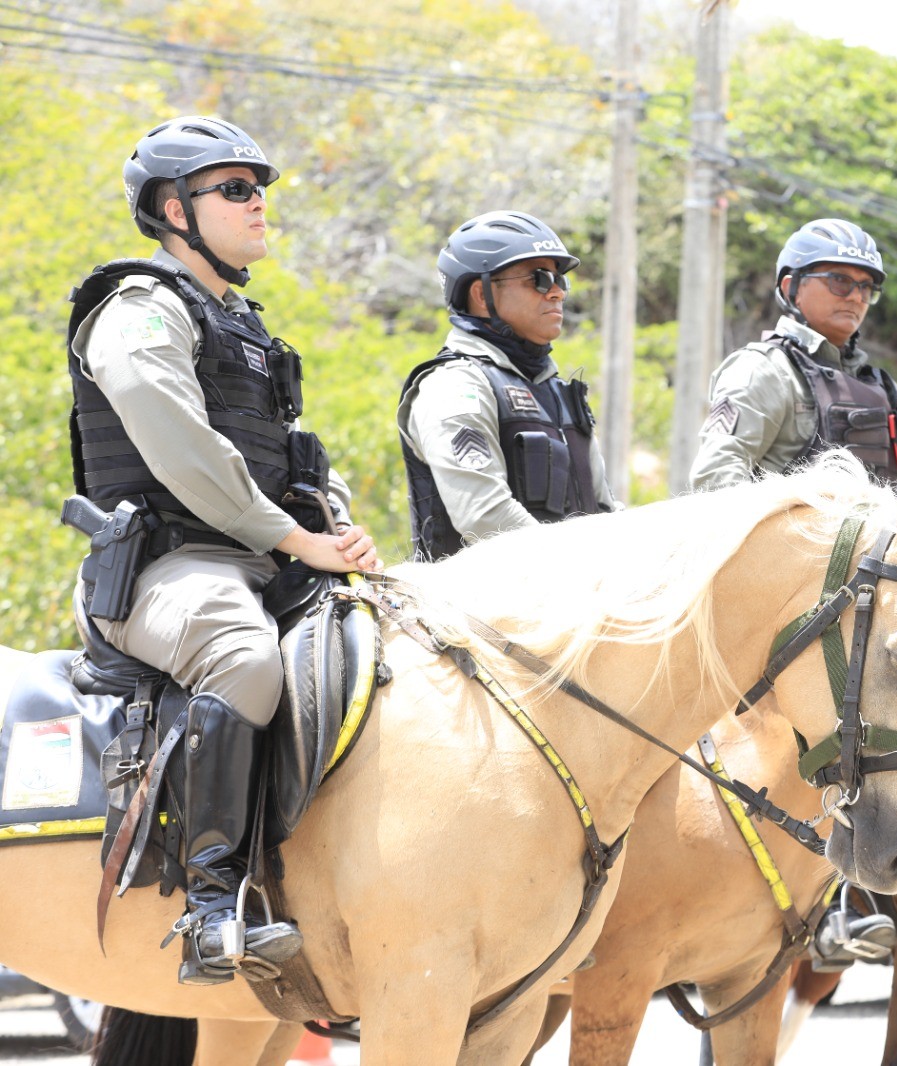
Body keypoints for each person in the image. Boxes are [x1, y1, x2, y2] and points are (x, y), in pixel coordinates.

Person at [68, 116, 379, 985]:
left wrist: (337, 528)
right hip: (166, 570)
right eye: (235, 190)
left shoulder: (244, 326)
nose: (259, 206)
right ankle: (213, 905)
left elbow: (288, 455)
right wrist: (294, 539)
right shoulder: (138, 310)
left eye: (260, 189)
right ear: (174, 209)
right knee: (244, 660)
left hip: (261, 559)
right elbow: (184, 452)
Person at [398, 211, 619, 560]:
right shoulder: (456, 385)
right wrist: (584, 570)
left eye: (561, 280)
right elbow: (485, 518)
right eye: (540, 279)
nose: (557, 292)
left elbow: (603, 508)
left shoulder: (560, 392)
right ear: (482, 295)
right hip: (473, 609)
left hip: (574, 603)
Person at [689, 218, 897, 491]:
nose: (856, 297)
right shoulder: (763, 371)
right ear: (792, 288)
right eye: (840, 281)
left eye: (866, 287)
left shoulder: (880, 387)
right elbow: (714, 480)